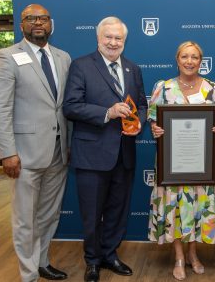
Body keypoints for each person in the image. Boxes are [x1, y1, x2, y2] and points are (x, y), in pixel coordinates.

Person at [0, 4, 71, 282]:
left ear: (52, 24)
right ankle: (28, 275)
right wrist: (7, 152)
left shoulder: (63, 58)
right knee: (25, 219)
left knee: (48, 215)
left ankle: (42, 262)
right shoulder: (7, 57)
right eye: (31, 18)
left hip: (58, 153)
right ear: (21, 24)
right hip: (24, 155)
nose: (38, 22)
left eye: (43, 18)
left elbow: (64, 106)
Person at [63, 16, 147, 282]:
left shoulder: (133, 69)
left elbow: (142, 105)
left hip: (124, 152)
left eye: (118, 38)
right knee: (92, 213)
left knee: (117, 210)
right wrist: (107, 112)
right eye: (108, 37)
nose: (113, 42)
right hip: (92, 154)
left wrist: (139, 123)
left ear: (124, 41)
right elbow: (71, 106)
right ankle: (92, 261)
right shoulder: (81, 66)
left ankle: (110, 254)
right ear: (98, 39)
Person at [147, 41, 215, 281]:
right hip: (172, 163)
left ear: (201, 61)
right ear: (177, 59)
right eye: (185, 56)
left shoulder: (213, 89)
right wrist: (155, 129)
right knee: (176, 209)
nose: (189, 61)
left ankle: (194, 254)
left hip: (202, 164)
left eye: (194, 57)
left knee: (198, 208)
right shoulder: (164, 88)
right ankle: (179, 256)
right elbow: (153, 120)